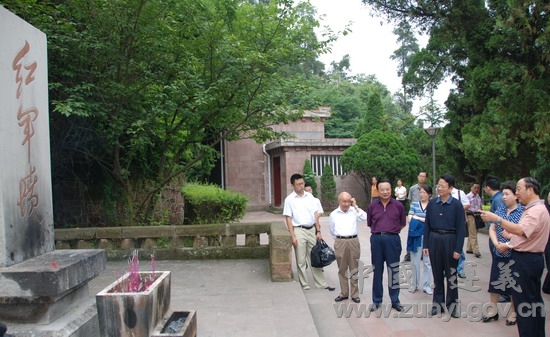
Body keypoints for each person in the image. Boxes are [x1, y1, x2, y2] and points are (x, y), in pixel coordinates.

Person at [481, 177, 550, 337]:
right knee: (532, 302)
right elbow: (526, 235)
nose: (517, 193)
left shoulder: (535, 211)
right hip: (528, 258)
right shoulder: (535, 209)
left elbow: (520, 230)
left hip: (526, 260)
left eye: (519, 189)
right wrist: (509, 242)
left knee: (524, 304)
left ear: (530, 190)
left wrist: (496, 219)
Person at [423, 174, 465, 318]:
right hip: (434, 239)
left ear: (451, 188)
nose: (439, 188)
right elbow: (427, 225)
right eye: (438, 185)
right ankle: (437, 304)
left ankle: (452, 306)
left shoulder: (456, 205)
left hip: (450, 239)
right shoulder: (433, 203)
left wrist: (458, 249)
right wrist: (426, 245)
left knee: (451, 274)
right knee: (437, 274)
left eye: (442, 186)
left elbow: (461, 229)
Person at [283, 173, 335, 291]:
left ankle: (321, 284)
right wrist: (292, 236)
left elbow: (315, 215)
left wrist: (318, 231)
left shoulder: (310, 197)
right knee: (301, 259)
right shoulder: (289, 200)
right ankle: (305, 284)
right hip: (298, 230)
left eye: (302, 183)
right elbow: (288, 218)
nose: (301, 186)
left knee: (315, 256)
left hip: (311, 229)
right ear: (292, 185)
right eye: (298, 184)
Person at [482, 181, 521, 326]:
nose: (504, 197)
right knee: (495, 283)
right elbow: (492, 228)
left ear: (516, 196)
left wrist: (508, 243)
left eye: (507, 194)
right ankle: (492, 311)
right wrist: (497, 243)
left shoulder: (522, 212)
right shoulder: (500, 210)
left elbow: (521, 232)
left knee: (513, 285)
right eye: (503, 194)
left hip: (514, 254)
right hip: (499, 252)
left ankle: (513, 312)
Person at [367, 178, 406, 312]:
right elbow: (370, 223)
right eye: (382, 189)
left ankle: (395, 301)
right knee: (377, 270)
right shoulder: (372, 206)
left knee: (393, 270)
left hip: (393, 240)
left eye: (387, 189)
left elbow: (402, 223)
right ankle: (376, 300)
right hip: (377, 239)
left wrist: (391, 232)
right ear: (378, 190)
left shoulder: (398, 205)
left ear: (391, 190)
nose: (385, 192)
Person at [329, 192, 367, 303]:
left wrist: (355, 206)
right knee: (342, 269)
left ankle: (355, 294)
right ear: (339, 201)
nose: (346, 204)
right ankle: (344, 293)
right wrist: (338, 239)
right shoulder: (334, 214)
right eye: (344, 201)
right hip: (340, 241)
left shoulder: (354, 211)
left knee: (354, 268)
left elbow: (365, 217)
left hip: (353, 241)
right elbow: (332, 229)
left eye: (348, 201)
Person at [484, 175, 509, 303]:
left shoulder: (498, 200)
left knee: (502, 266)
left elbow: (501, 221)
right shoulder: (498, 200)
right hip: (496, 238)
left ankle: (505, 293)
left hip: (502, 240)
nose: (505, 197)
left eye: (507, 194)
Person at [406, 185, 433, 295]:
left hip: (428, 236)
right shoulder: (414, 204)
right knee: (415, 261)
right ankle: (414, 284)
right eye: (420, 193)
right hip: (415, 236)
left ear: (429, 194)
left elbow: (431, 221)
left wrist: (418, 218)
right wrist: (421, 220)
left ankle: (426, 286)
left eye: (424, 193)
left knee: (427, 262)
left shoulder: (432, 206)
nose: (422, 195)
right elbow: (410, 218)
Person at [404, 171, 428, 262]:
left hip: (424, 216)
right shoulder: (412, 188)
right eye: (420, 176)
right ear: (418, 177)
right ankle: (409, 254)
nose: (421, 178)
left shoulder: (428, 188)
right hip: (414, 216)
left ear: (426, 178)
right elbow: (410, 201)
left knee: (423, 236)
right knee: (412, 234)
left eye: (423, 176)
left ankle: (422, 253)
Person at [451, 185, 470, 278]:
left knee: (459, 247)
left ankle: (460, 269)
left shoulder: (459, 193)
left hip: (458, 222)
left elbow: (467, 204)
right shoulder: (440, 193)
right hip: (446, 223)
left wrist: (455, 208)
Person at [465, 183, 482, 258]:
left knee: (474, 232)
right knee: (473, 233)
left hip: (477, 215)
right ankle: (476, 250)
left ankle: (469, 248)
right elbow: (464, 208)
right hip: (470, 215)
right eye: (475, 187)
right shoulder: (467, 196)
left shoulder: (478, 196)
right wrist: (465, 218)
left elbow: (480, 206)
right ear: (471, 188)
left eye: (478, 188)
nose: (476, 189)